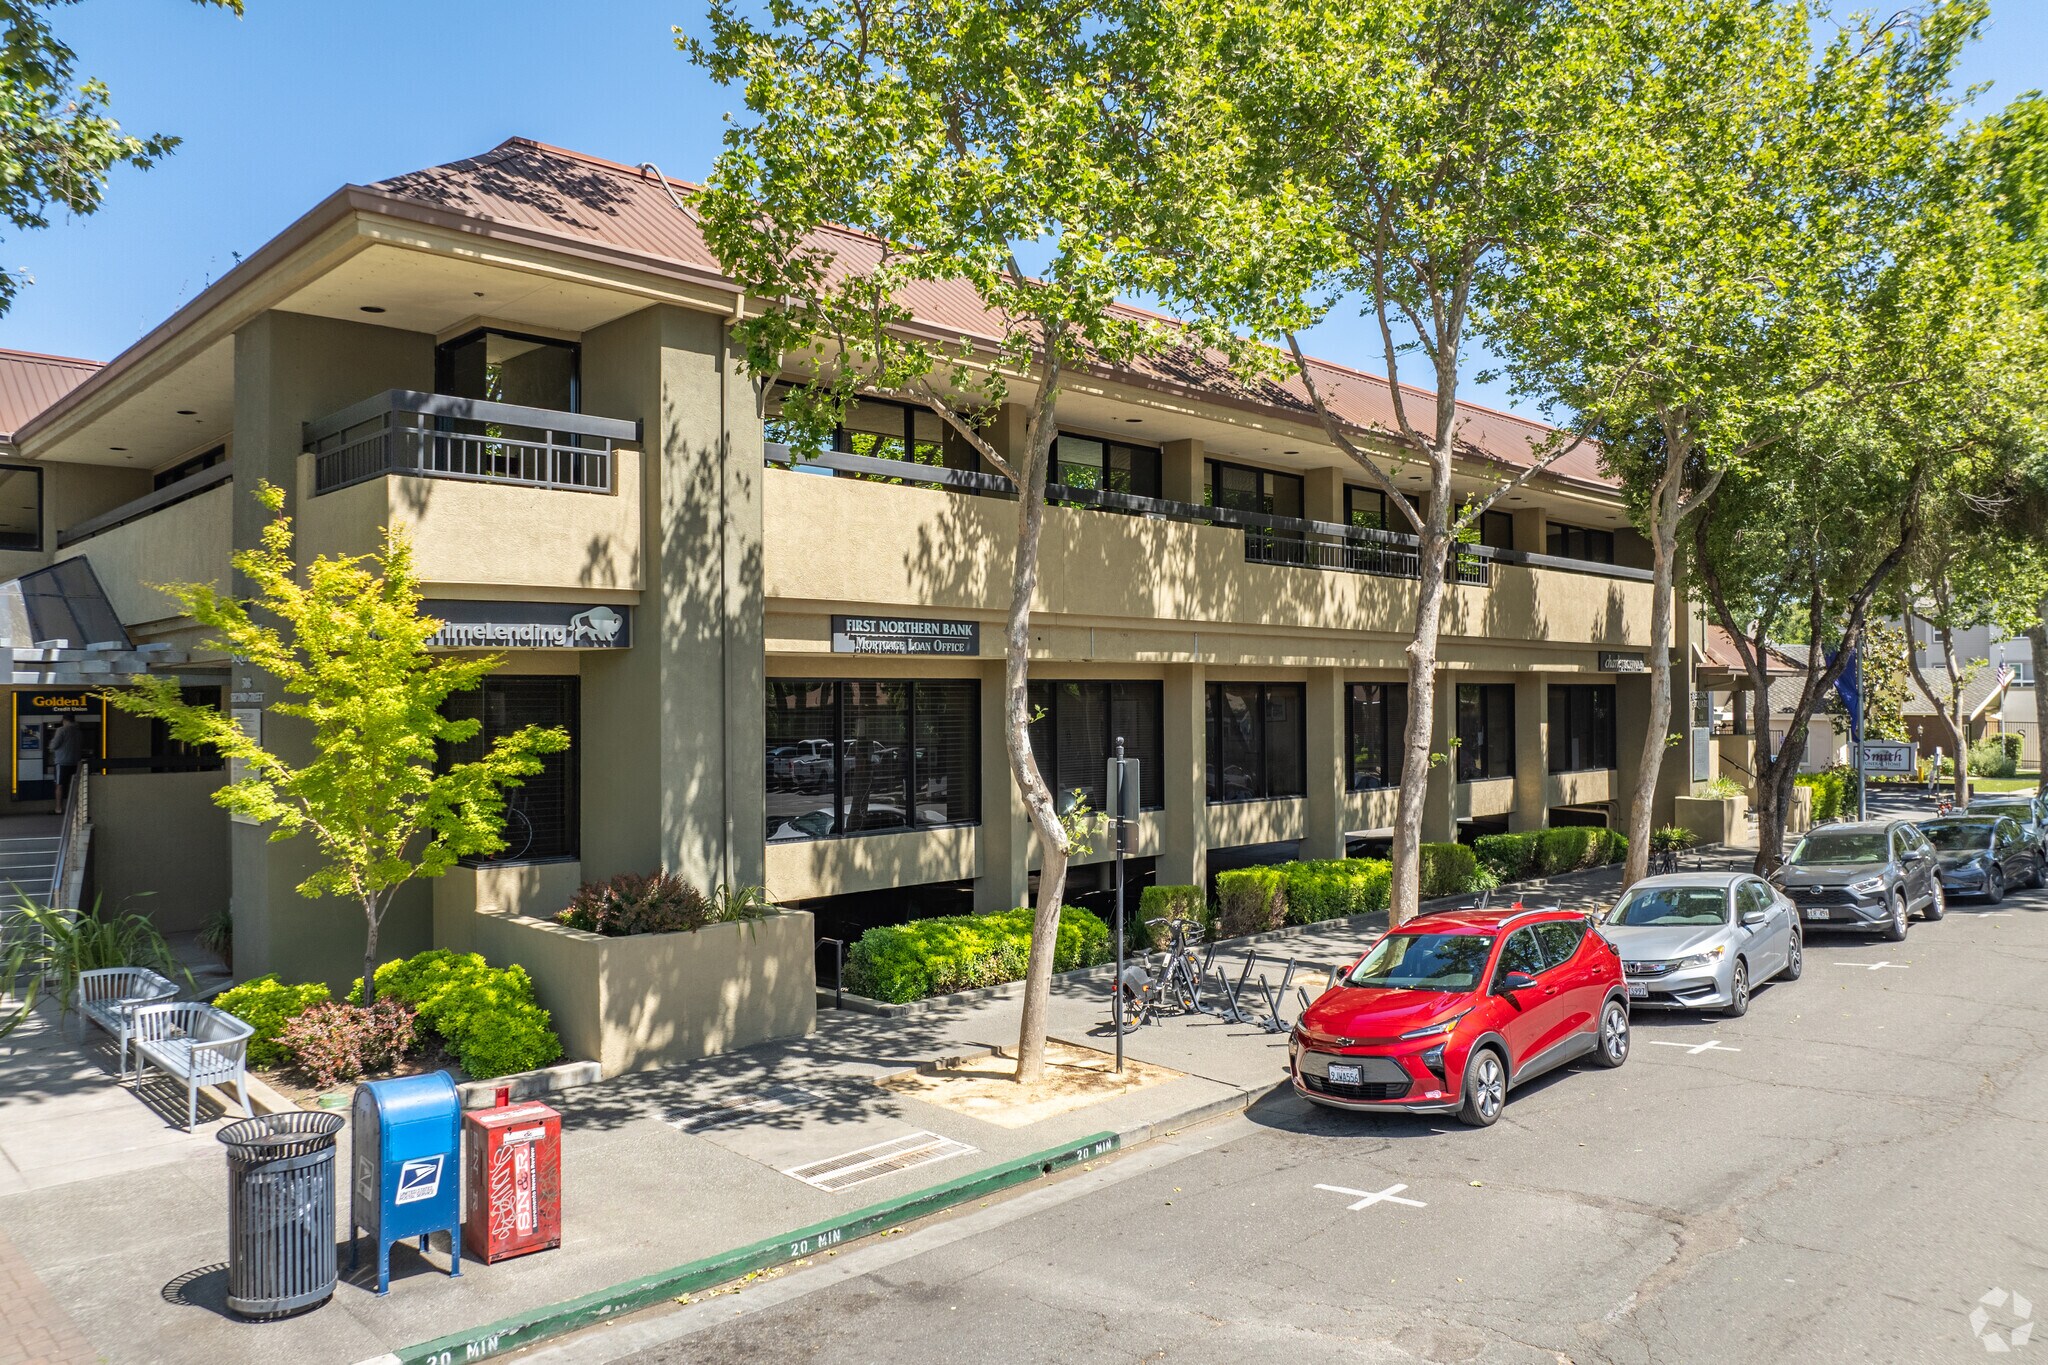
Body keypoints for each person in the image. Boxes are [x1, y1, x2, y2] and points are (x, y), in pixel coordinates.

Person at [48, 716, 84, 809]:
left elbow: (54, 745)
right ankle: (75, 808)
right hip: (76, 762)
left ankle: (58, 808)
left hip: (62, 762)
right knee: (75, 786)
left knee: (59, 785)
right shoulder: (78, 731)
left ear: (64, 720)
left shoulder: (61, 730)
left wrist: (50, 746)